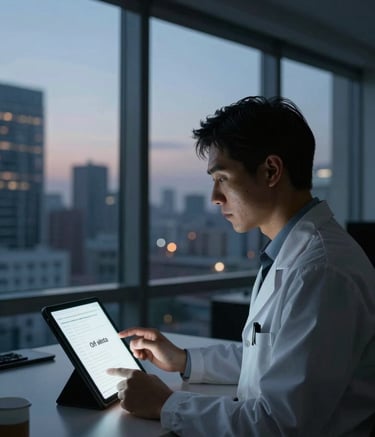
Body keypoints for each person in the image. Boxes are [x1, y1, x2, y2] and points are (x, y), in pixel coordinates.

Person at [108, 96, 375, 436]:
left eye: (222, 177)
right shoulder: (294, 254)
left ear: (271, 171)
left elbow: (280, 425)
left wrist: (165, 405)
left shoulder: (320, 270)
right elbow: (270, 360)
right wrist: (184, 361)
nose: (215, 198)